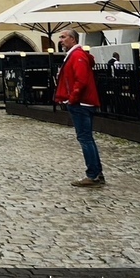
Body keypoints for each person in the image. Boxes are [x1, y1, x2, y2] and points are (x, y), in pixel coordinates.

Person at [54, 29, 104, 187]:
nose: (61, 40)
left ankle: (93, 174)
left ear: (73, 39)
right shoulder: (77, 55)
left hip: (81, 103)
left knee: (85, 139)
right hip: (82, 102)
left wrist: (72, 99)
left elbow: (80, 80)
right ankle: (96, 172)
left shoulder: (77, 56)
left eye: (63, 37)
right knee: (87, 138)